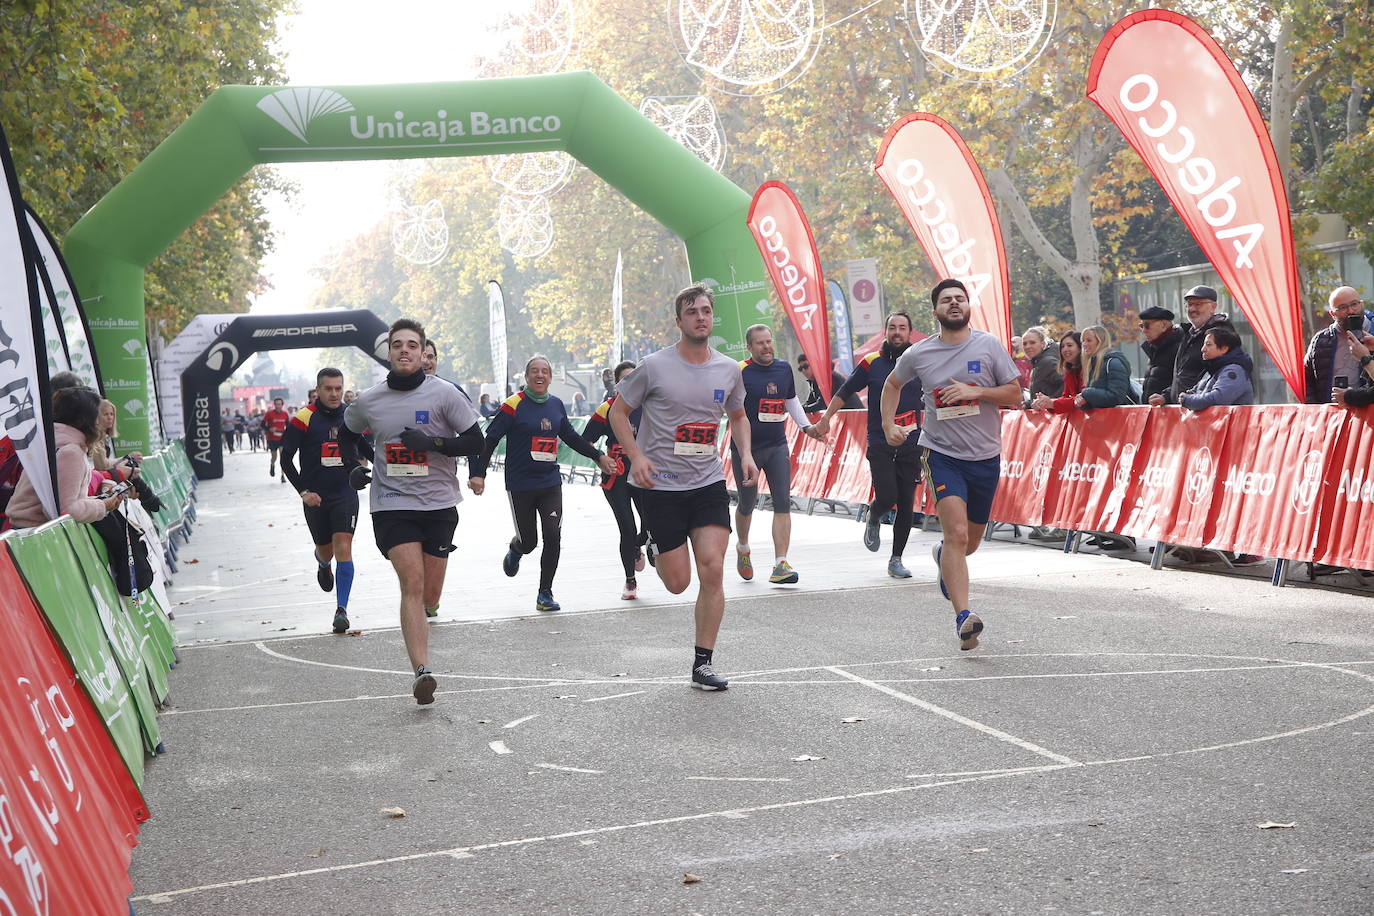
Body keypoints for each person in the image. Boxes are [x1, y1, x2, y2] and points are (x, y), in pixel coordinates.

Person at [609, 283, 754, 691]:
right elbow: (619, 414)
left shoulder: (728, 369)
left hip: (707, 481)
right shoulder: (654, 366)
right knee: (678, 583)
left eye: (706, 311)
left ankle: (703, 663)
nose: (701, 318)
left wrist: (744, 453)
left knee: (713, 567)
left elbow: (739, 415)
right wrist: (637, 457)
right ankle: (653, 542)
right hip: (661, 488)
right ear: (679, 321)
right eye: (692, 312)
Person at [339, 318, 484, 705]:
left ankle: (428, 615)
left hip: (438, 504)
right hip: (391, 504)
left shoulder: (445, 395)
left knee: (430, 594)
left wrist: (434, 442)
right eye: (397, 344)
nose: (404, 350)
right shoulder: (369, 400)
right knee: (412, 585)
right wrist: (355, 465)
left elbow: (476, 441)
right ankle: (422, 672)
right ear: (388, 353)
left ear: (423, 353)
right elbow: (347, 434)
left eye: (412, 345)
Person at [881, 278, 1022, 651]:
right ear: (936, 311)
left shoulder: (989, 345)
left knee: (969, 543)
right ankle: (964, 617)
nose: (955, 304)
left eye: (960, 299)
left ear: (968, 307)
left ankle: (945, 558)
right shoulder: (920, 353)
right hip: (941, 454)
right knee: (956, 533)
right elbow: (891, 385)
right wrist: (888, 423)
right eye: (947, 300)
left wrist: (977, 391)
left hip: (984, 457)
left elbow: (1015, 395)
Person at [469, 355, 616, 612]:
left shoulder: (557, 405)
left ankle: (544, 593)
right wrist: (478, 473)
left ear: (550, 377)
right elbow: (490, 439)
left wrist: (599, 456)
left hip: (550, 482)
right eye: (534, 371)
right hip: (520, 484)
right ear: (526, 377)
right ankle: (516, 549)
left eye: (545, 372)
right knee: (529, 542)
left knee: (553, 535)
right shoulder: (513, 406)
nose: (540, 375)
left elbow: (571, 437)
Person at [812, 312, 926, 577]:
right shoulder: (871, 362)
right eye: (892, 327)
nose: (897, 332)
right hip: (880, 440)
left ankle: (896, 559)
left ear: (910, 333)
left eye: (902, 328)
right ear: (885, 331)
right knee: (888, 497)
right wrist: (827, 418)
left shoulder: (918, 362)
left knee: (907, 502)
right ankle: (874, 514)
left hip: (912, 441)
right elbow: (845, 391)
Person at [280, 368, 373, 635]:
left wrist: (383, 466)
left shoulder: (350, 415)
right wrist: (304, 493)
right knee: (326, 550)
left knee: (343, 546)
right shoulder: (303, 418)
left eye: (338, 388)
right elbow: (286, 458)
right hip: (316, 498)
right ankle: (322, 563)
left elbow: (366, 447)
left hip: (345, 493)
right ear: (318, 390)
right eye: (329, 389)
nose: (334, 394)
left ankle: (341, 610)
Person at [731, 324, 817, 586]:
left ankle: (780, 563)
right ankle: (743, 548)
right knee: (747, 503)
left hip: (777, 444)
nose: (766, 347)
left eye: (769, 341)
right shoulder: (740, 371)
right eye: (760, 343)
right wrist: (743, 451)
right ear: (749, 347)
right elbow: (732, 410)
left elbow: (790, 400)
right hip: (747, 450)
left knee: (782, 501)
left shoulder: (783, 368)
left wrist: (806, 427)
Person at [7, 387, 125, 528]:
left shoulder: (56, 443)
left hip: (28, 531)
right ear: (88, 418)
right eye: (98, 415)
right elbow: (65, 510)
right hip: (37, 534)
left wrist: (98, 501)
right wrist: (103, 505)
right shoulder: (70, 452)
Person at [582, 360, 649, 600]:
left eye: (635, 378)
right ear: (618, 384)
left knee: (651, 524)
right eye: (625, 379)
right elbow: (584, 440)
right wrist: (600, 458)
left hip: (646, 475)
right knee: (627, 528)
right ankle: (630, 580)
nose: (631, 384)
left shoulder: (652, 405)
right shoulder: (607, 408)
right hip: (617, 476)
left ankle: (641, 544)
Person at [1148, 285, 1234, 405]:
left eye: (1198, 304)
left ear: (1213, 307)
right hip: (1186, 409)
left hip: (1205, 412)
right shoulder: (1189, 334)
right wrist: (1166, 396)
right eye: (1189, 304)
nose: (1192, 309)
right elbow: (1185, 375)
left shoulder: (1221, 335)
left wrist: (1194, 399)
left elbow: (1217, 378)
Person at [1305, 286, 1371, 404]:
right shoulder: (1321, 340)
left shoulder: (1372, 333)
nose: (1350, 311)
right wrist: (1316, 409)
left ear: (1362, 304)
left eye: (1354, 304)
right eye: (1342, 308)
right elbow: (1307, 379)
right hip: (1331, 415)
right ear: (1332, 313)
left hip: (1368, 415)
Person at [1179, 327, 1254, 410]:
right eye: (1203, 345)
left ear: (1224, 349)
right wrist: (1191, 395)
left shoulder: (1234, 371)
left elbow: (1218, 399)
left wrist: (1187, 400)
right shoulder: (1211, 371)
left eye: (1208, 345)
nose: (1203, 349)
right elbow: (1196, 392)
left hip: (1231, 422)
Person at [1074, 325, 1135, 409]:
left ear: (1100, 341)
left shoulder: (1112, 362)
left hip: (1121, 418)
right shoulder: (1093, 364)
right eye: (1083, 341)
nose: (1084, 344)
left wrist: (1086, 394)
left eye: (1089, 340)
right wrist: (1084, 403)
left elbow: (1116, 397)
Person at [1031, 331, 1083, 414]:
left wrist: (1052, 403)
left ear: (1080, 348)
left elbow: (1083, 399)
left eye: (1069, 345)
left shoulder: (1088, 369)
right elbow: (1065, 396)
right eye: (1062, 346)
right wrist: (1046, 402)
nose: (1065, 349)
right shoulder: (1070, 371)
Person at [1138, 306, 1183, 402]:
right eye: (1141, 326)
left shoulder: (1180, 347)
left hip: (1172, 412)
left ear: (1163, 325)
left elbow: (1186, 380)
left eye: (1146, 325)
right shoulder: (1154, 349)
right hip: (1155, 412)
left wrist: (1165, 397)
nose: (1143, 330)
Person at [797, 353, 861, 413]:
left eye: (805, 366)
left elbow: (823, 404)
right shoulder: (815, 381)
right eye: (800, 368)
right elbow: (810, 402)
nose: (803, 370)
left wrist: (802, 410)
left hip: (854, 417)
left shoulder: (828, 377)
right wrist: (798, 409)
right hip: (845, 417)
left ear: (814, 364)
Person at [1022, 326, 1062, 403]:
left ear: (1043, 344)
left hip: (1054, 414)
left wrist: (1050, 401)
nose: (1027, 346)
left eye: (1032, 342)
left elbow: (1067, 385)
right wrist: (1029, 404)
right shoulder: (1037, 363)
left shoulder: (1048, 362)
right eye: (1024, 343)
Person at [262, 397, 290, 480]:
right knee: (274, 457)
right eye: (276, 404)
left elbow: (288, 426)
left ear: (282, 405)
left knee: (283, 458)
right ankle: (272, 464)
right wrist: (269, 429)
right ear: (274, 405)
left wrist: (287, 434)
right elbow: (262, 424)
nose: (278, 406)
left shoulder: (285, 414)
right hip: (272, 439)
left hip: (282, 439)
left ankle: (283, 476)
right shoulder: (269, 413)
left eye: (280, 404)